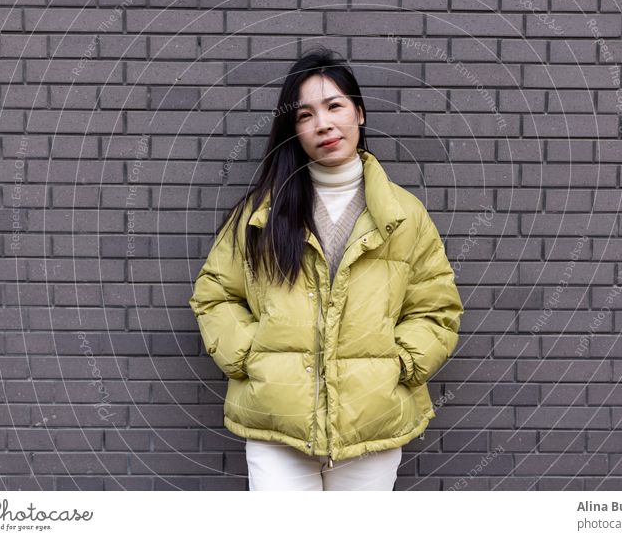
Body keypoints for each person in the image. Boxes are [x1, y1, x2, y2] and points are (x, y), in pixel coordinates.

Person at [189, 46, 463, 491]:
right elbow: (214, 293)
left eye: (334, 106)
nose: (323, 124)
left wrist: (400, 365)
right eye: (304, 115)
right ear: (293, 130)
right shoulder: (261, 214)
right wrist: (250, 357)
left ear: (358, 113)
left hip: (369, 426)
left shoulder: (405, 216)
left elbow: (436, 308)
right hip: (277, 426)